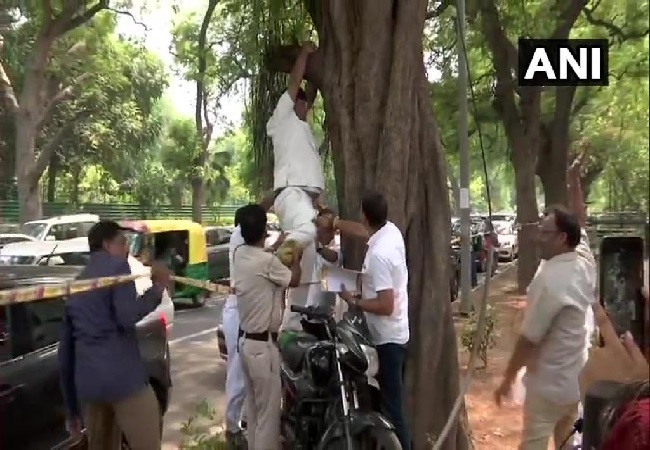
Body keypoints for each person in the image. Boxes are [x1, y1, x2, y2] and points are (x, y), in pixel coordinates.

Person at [58, 220, 171, 450]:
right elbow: (126, 315)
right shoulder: (118, 267)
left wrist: (71, 408)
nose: (127, 249)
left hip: (90, 386)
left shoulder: (77, 284)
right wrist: (157, 287)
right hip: (124, 382)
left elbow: (66, 352)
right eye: (123, 242)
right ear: (107, 245)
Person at [493, 201, 596, 450]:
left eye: (545, 232)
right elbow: (580, 229)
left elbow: (529, 338)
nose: (539, 238)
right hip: (576, 379)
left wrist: (507, 380)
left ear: (562, 238)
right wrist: (573, 184)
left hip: (548, 386)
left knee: (533, 444)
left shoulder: (550, 281)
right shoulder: (584, 263)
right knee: (568, 442)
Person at [322, 191, 411, 450]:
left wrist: (354, 302)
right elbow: (363, 232)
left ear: (364, 215)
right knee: (381, 401)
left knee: (392, 410)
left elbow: (386, 304)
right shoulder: (391, 231)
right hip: (392, 332)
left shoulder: (379, 255)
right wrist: (335, 223)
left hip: (388, 339)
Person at [233, 204, 303, 450]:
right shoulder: (267, 263)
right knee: (268, 419)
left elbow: (264, 257)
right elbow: (293, 279)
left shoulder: (239, 254)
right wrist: (295, 260)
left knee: (254, 412)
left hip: (245, 344)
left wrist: (275, 246)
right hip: (263, 348)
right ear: (265, 230)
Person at [266, 41, 325, 332]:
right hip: (291, 194)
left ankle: (294, 322)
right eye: (306, 105)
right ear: (297, 104)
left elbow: (307, 94)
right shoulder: (283, 118)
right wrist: (305, 53)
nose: (308, 109)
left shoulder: (300, 126)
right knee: (308, 231)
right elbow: (295, 82)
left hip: (303, 199)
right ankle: (270, 267)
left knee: (310, 265)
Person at [223, 207, 246, 447]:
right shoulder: (238, 237)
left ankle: (239, 421)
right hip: (238, 314)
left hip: (242, 313)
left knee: (246, 373)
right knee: (238, 372)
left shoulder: (244, 246)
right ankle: (232, 425)